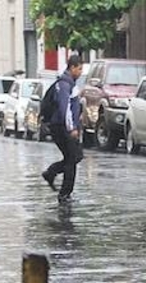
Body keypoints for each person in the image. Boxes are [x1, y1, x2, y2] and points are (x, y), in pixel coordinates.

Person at [41, 55, 84, 202]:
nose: (80, 72)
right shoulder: (64, 84)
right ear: (72, 67)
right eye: (79, 69)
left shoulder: (70, 83)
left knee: (73, 157)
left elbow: (73, 106)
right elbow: (64, 108)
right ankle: (65, 194)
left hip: (63, 126)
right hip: (62, 127)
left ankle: (51, 173)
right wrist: (72, 128)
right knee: (73, 158)